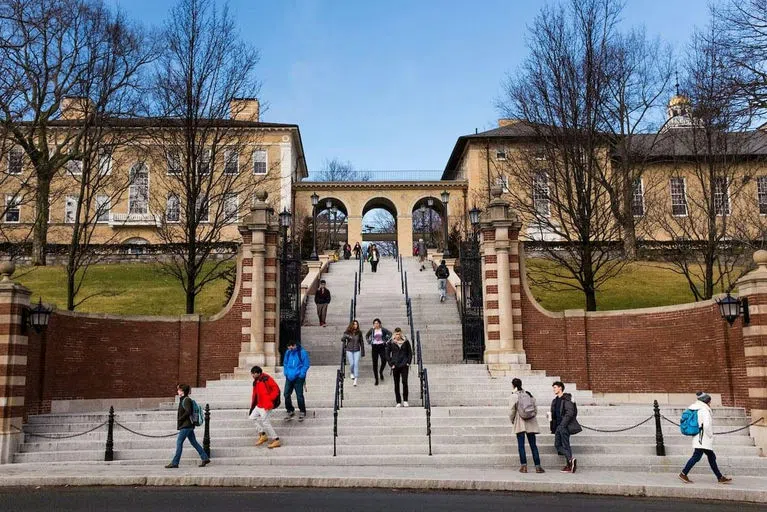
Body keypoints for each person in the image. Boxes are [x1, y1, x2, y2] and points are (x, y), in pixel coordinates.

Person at [679, 392, 733, 484]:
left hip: (698, 436)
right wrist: (710, 434)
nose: (710, 403)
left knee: (710, 456)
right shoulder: (704, 410)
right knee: (697, 457)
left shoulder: (696, 408)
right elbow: (706, 425)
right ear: (706, 401)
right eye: (709, 401)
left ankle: (720, 477)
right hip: (703, 438)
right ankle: (683, 473)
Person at [165, 384, 211, 468]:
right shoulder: (184, 399)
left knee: (179, 443)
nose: (177, 391)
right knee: (194, 442)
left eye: (179, 390)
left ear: (182, 391)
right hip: (188, 426)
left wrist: (180, 419)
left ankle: (175, 462)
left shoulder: (186, 400)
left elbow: (188, 411)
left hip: (186, 426)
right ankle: (205, 458)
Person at [509, 378, 544, 474]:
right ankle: (538, 467)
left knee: (521, 446)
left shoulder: (514, 396)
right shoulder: (529, 394)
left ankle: (524, 467)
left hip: (520, 422)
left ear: (513, 385)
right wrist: (532, 416)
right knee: (533, 445)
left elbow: (511, 411)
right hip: (531, 422)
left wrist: (513, 420)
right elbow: (535, 409)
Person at [550, 381, 581, 473]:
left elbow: (570, 413)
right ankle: (570, 461)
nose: (554, 389)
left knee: (564, 445)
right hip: (558, 426)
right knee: (558, 445)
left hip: (564, 427)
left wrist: (562, 425)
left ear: (560, 388)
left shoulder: (566, 399)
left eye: (555, 387)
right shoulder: (555, 400)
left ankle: (569, 463)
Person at [249, 366, 281, 449]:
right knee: (252, 417)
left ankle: (276, 440)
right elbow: (255, 395)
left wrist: (269, 399)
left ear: (258, 373)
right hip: (259, 405)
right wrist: (253, 405)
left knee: (265, 422)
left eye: (254, 373)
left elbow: (276, 389)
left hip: (266, 405)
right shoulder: (256, 381)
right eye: (252, 373)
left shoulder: (266, 378)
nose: (252, 375)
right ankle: (263, 435)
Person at [282, 342, 310, 422]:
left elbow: (306, 364)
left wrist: (302, 374)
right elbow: (285, 363)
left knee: (299, 395)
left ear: (294, 345)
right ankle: (290, 410)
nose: (290, 350)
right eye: (288, 348)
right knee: (286, 393)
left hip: (298, 377)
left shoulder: (302, 352)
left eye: (291, 348)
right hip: (289, 377)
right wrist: (286, 372)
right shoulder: (288, 352)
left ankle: (302, 410)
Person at [386, 327, 412, 407]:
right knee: (396, 384)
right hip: (395, 365)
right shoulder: (391, 342)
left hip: (404, 365)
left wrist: (408, 362)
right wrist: (391, 364)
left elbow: (410, 352)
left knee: (405, 382)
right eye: (396, 334)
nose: (398, 335)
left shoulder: (406, 342)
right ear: (394, 334)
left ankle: (405, 400)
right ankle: (398, 401)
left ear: (401, 333)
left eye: (399, 334)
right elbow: (387, 354)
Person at [365, 318, 391, 385]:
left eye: (377, 323)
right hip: (374, 347)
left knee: (384, 360)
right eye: (374, 323)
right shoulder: (372, 330)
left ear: (379, 324)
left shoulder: (383, 329)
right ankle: (376, 379)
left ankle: (381, 372)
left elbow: (390, 334)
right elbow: (366, 336)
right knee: (375, 364)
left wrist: (386, 340)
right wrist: (369, 341)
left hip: (382, 346)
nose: (376, 324)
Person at [342, 320, 365, 386]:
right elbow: (342, 339)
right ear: (351, 325)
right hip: (349, 350)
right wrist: (347, 336)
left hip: (357, 350)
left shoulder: (359, 333)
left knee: (356, 364)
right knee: (352, 364)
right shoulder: (347, 332)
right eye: (354, 324)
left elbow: (361, 342)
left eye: (356, 324)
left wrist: (362, 351)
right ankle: (352, 372)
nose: (355, 325)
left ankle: (355, 379)